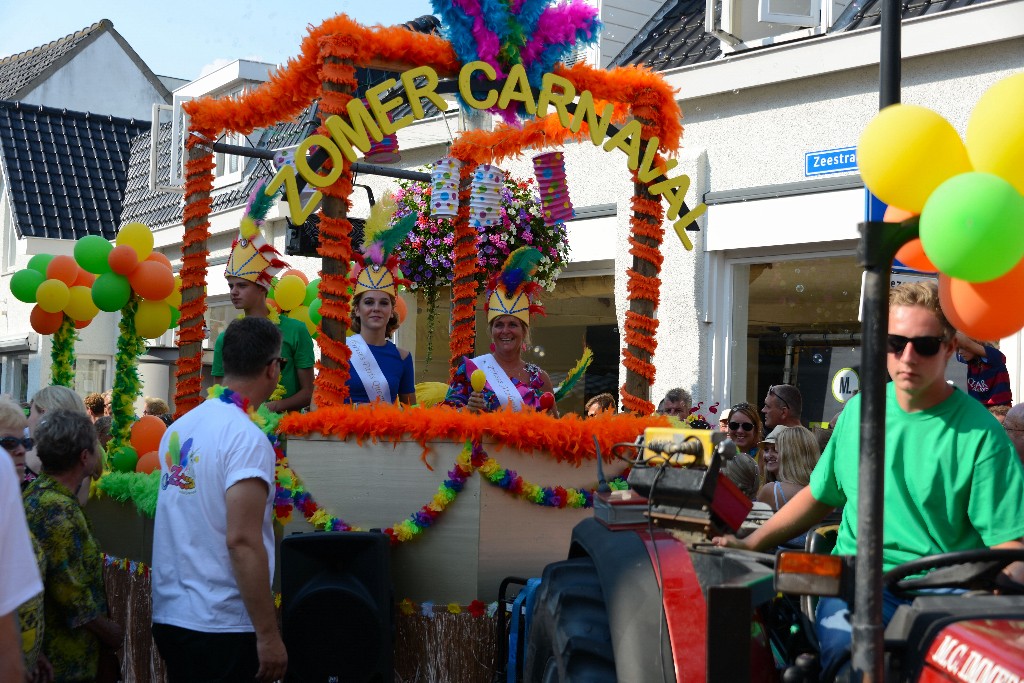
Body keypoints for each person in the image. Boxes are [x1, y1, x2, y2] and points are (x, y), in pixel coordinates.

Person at [713, 281, 1024, 673]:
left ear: (948, 347)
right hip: (857, 586)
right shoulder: (859, 414)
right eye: (896, 342)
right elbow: (820, 495)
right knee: (855, 669)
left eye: (925, 345)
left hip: (948, 594)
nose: (908, 356)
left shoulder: (982, 433)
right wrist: (751, 542)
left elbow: (1009, 546)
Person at [152, 317, 287, 683]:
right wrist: (268, 634)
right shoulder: (246, 437)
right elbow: (242, 541)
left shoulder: (179, 427)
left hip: (172, 617)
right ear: (273, 369)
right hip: (221, 625)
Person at [23, 409, 122, 683]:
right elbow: (73, 598)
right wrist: (113, 633)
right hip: (64, 662)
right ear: (84, 456)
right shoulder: (55, 509)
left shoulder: (43, 496)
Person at [212, 180, 314, 414]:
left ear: (262, 288)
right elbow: (218, 394)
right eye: (230, 286)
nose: (233, 292)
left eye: (241, 285)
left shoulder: (296, 331)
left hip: (286, 432)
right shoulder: (224, 339)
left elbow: (308, 392)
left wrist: (272, 408)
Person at [444, 247, 557, 414]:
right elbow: (443, 415)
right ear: (491, 331)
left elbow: (554, 427)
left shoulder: (539, 378)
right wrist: (467, 410)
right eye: (499, 325)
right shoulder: (472, 369)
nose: (505, 331)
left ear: (524, 331)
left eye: (513, 324)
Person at [345, 195, 416, 405]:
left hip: (385, 438)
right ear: (356, 309)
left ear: (392, 309)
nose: (376, 308)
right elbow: (318, 405)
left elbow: (411, 414)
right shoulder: (339, 351)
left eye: (383, 303)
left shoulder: (403, 358)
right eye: (368, 302)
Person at [0, 398, 49, 681]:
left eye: (25, 443)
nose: (20, 451)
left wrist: (31, 651)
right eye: (8, 443)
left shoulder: (22, 499)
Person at [23, 386, 88, 488]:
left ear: (43, 414)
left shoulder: (18, 459)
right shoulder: (84, 466)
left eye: (31, 413)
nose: (27, 421)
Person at [756, 426, 821, 512]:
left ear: (792, 454)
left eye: (776, 450)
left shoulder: (772, 490)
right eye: (766, 450)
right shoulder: (824, 491)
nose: (768, 455)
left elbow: (751, 524)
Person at [955, 332, 1012, 407]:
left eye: (964, 348)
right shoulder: (968, 359)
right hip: (980, 407)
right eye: (958, 348)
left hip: (999, 408)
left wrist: (949, 328)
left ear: (977, 344)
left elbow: (966, 343)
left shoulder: (995, 357)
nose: (960, 352)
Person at [725, 403, 765, 483]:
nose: (740, 431)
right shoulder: (723, 455)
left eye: (747, 426)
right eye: (734, 425)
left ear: (756, 429)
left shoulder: (765, 457)